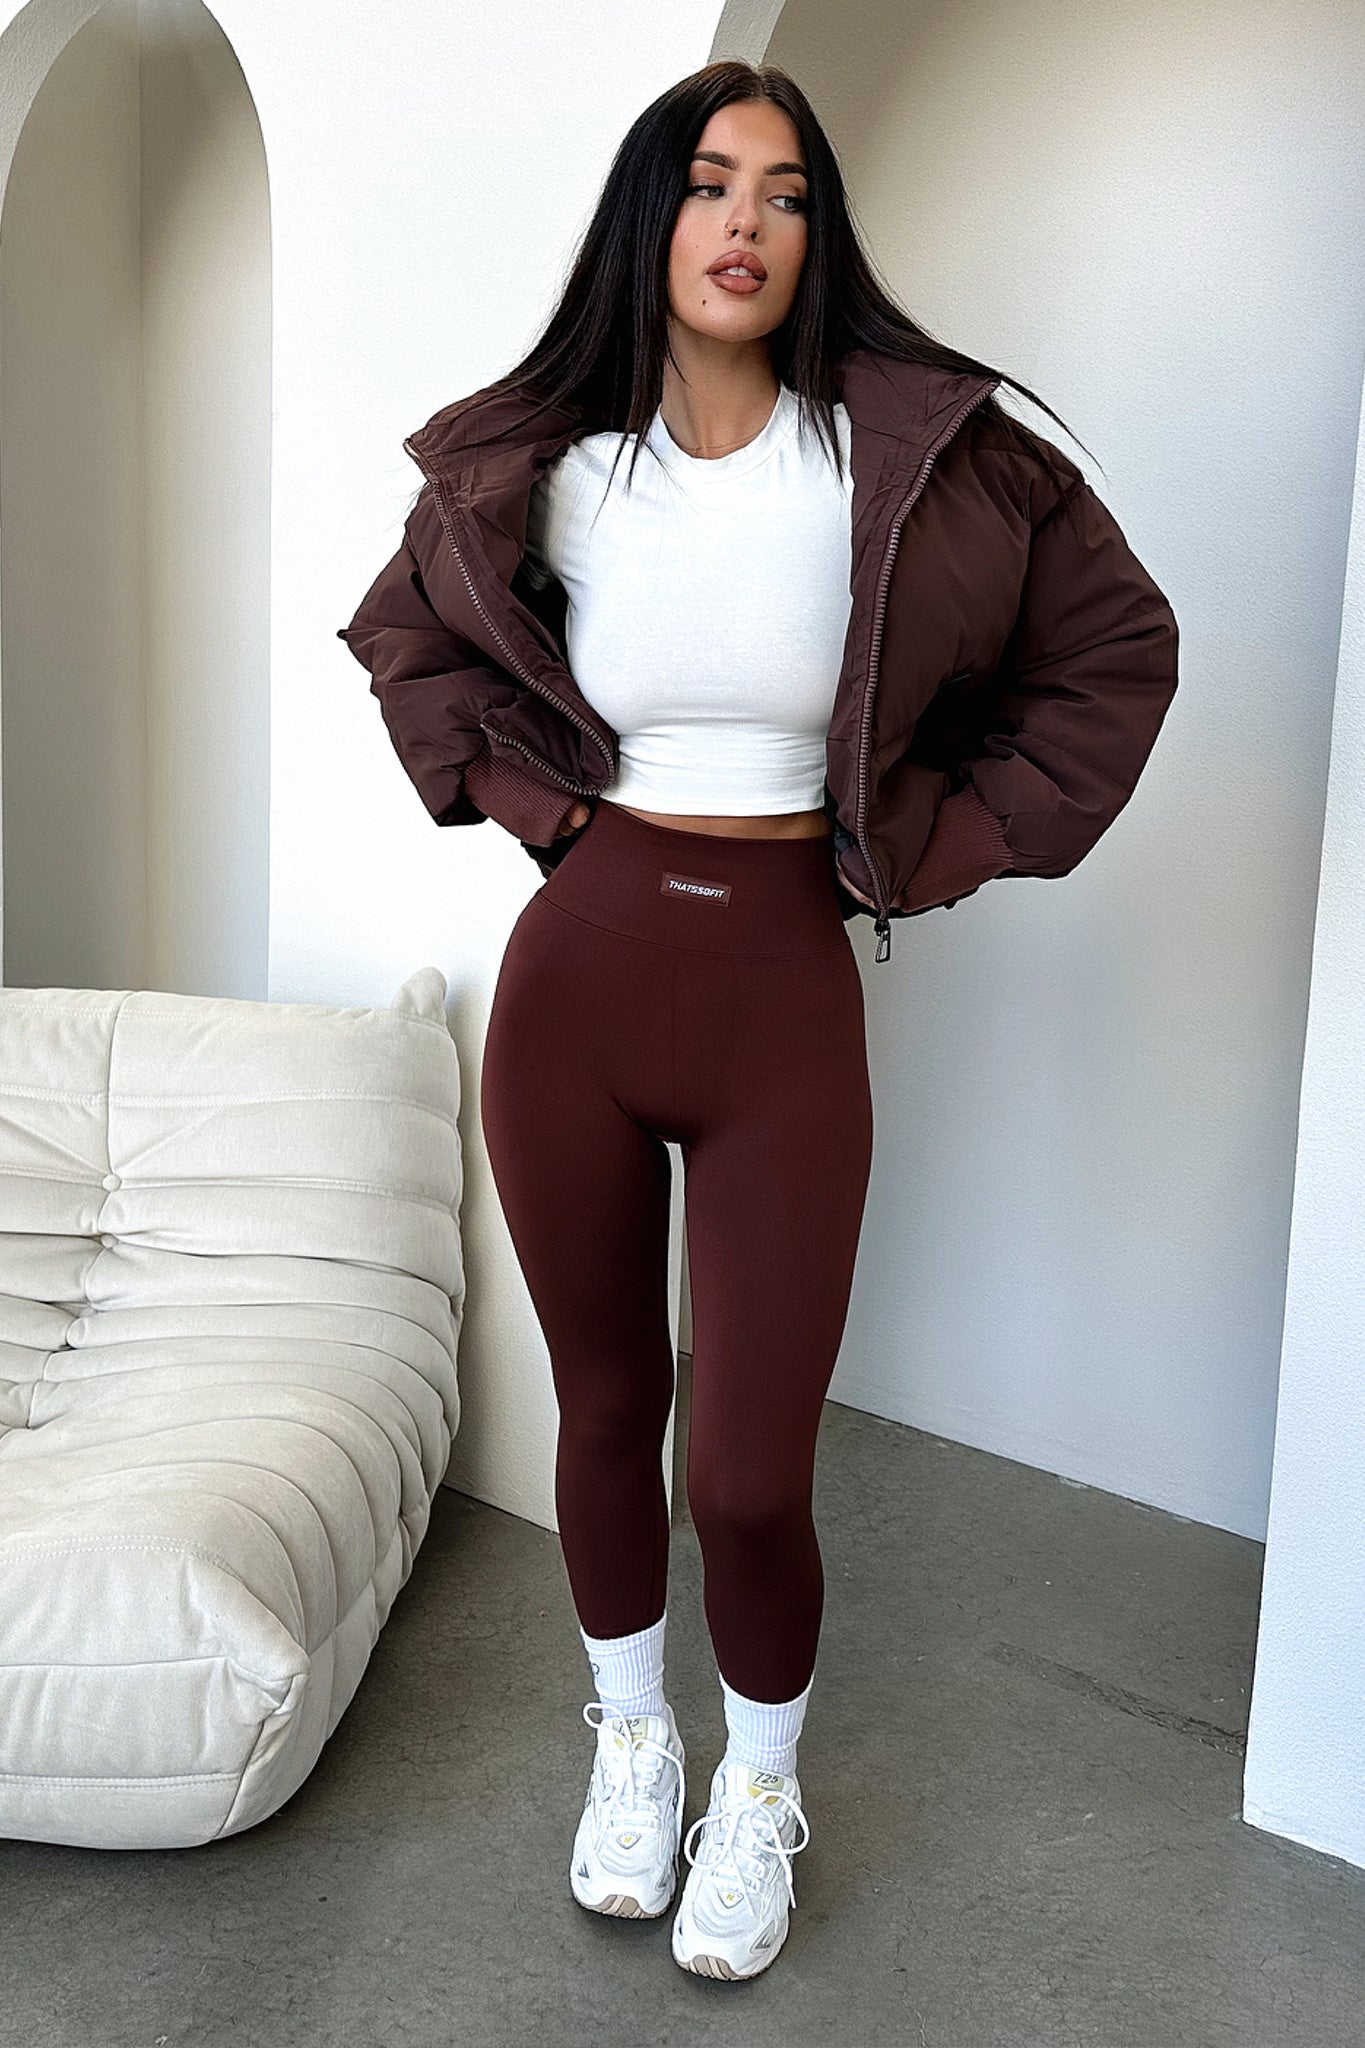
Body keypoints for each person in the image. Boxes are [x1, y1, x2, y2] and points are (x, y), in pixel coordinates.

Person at [337, 60, 1179, 1981]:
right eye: (712, 184)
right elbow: (406, 638)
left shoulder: (908, 457)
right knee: (607, 1407)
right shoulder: (541, 460)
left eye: (785, 194)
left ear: (816, 236)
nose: (745, 223)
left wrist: (933, 845)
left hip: (785, 996)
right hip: (577, 988)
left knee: (743, 1471)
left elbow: (1113, 651)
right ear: (653, 216)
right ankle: (633, 1742)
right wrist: (541, 811)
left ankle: (762, 1787)